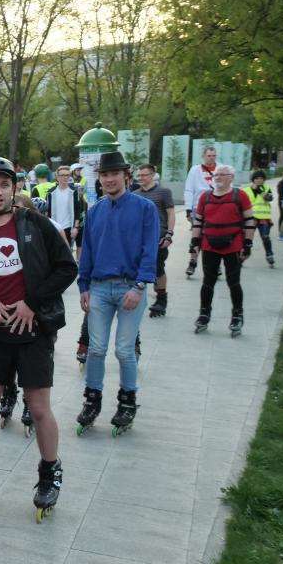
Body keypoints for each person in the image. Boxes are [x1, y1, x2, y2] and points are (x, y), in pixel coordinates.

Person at [0, 157, 77, 522]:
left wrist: (32, 304)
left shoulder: (36, 224)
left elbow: (67, 268)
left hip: (33, 331)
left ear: (14, 188)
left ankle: (49, 472)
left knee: (38, 406)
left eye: (5, 184)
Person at [75, 151, 159, 436]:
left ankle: (127, 402)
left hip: (129, 288)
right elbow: (87, 252)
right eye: (104, 175)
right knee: (96, 349)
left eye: (114, 174)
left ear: (126, 176)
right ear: (99, 179)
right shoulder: (95, 211)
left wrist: (140, 286)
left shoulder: (144, 208)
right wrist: (83, 286)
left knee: (124, 350)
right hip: (98, 288)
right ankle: (92, 400)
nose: (109, 179)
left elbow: (151, 251)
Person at [191, 164, 255, 336]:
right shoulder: (205, 197)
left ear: (231, 178)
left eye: (221, 174)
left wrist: (248, 243)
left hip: (233, 246)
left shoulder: (239, 195)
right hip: (209, 245)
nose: (217, 177)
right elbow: (198, 221)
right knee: (207, 282)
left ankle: (237, 316)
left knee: (233, 282)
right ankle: (204, 314)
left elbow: (250, 220)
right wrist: (194, 243)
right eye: (216, 174)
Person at [134, 164, 176, 316]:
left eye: (144, 175)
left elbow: (171, 213)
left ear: (152, 175)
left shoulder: (163, 192)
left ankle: (161, 298)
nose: (141, 178)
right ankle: (138, 296)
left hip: (159, 237)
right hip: (140, 239)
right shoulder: (135, 194)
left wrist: (169, 234)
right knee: (138, 268)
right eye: (139, 175)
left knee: (158, 268)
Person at [44, 165, 84, 249]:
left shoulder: (74, 192)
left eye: (67, 175)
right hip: (55, 228)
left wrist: (75, 228)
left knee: (68, 253)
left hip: (69, 228)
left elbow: (78, 210)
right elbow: (47, 212)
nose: (65, 177)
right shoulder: (50, 193)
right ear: (57, 177)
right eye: (62, 175)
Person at [242, 170, 275, 267]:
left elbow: (269, 198)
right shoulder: (246, 190)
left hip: (264, 218)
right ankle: (242, 257)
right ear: (253, 179)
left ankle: (269, 255)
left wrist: (259, 191)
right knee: (247, 239)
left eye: (261, 178)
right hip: (251, 218)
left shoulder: (267, 188)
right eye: (257, 178)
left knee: (265, 237)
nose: (259, 180)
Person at [184, 145, 222, 219]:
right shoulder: (195, 170)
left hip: (217, 205)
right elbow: (189, 190)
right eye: (209, 156)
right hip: (198, 206)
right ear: (203, 156)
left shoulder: (221, 168)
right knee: (198, 229)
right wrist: (188, 209)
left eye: (214, 156)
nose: (211, 158)